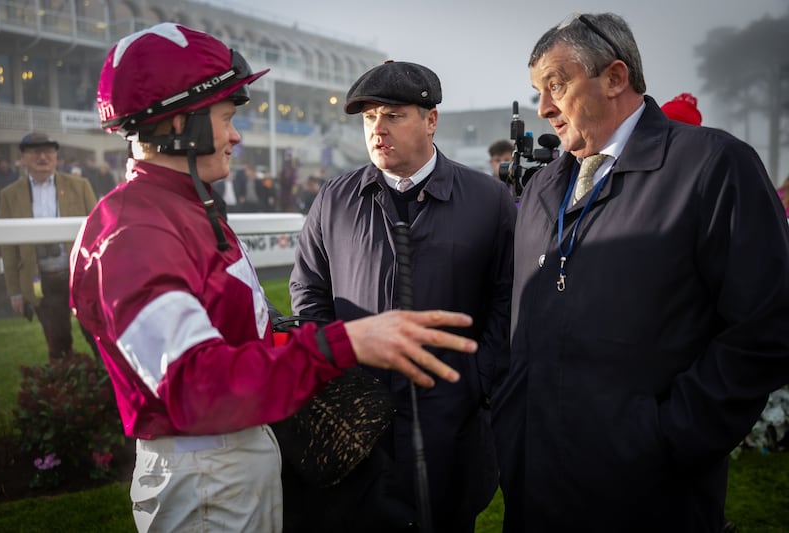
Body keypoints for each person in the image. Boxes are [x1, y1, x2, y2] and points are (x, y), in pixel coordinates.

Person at [70, 23, 478, 533]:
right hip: (205, 472)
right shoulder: (135, 228)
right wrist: (340, 345)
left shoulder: (181, 207)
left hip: (234, 457)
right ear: (182, 124)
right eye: (225, 118)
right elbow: (193, 385)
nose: (237, 135)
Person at [492, 12, 789, 532]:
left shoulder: (714, 166)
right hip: (534, 485)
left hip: (649, 495)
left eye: (556, 86)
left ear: (614, 77)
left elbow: (764, 327)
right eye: (537, 91)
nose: (543, 109)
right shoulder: (542, 188)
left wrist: (667, 437)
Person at [290, 60, 516, 533]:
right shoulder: (333, 198)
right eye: (370, 118)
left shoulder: (488, 199)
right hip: (360, 423)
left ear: (430, 120)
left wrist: (476, 380)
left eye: (393, 115)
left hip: (453, 421)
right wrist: (338, 373)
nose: (378, 129)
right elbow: (309, 292)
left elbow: (507, 297)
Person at [0, 132, 99, 361]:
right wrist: (15, 291)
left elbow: (97, 233)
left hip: (79, 275)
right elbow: (8, 247)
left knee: (97, 336)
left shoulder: (80, 186)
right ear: (22, 158)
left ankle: (109, 384)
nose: (43, 157)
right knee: (58, 341)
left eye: (49, 151)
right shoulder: (9, 195)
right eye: (35, 152)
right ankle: (65, 389)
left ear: (56, 156)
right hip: (39, 280)